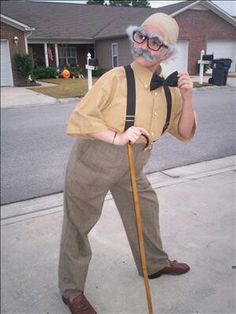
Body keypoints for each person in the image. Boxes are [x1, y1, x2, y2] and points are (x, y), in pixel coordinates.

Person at [59, 12, 196, 314]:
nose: (145, 44)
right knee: (78, 226)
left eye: (155, 41)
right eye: (141, 36)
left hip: (133, 165)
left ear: (169, 51)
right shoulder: (115, 78)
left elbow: (185, 132)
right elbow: (80, 118)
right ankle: (71, 290)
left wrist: (187, 99)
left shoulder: (171, 90)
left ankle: (154, 265)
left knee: (145, 209)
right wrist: (117, 137)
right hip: (92, 161)